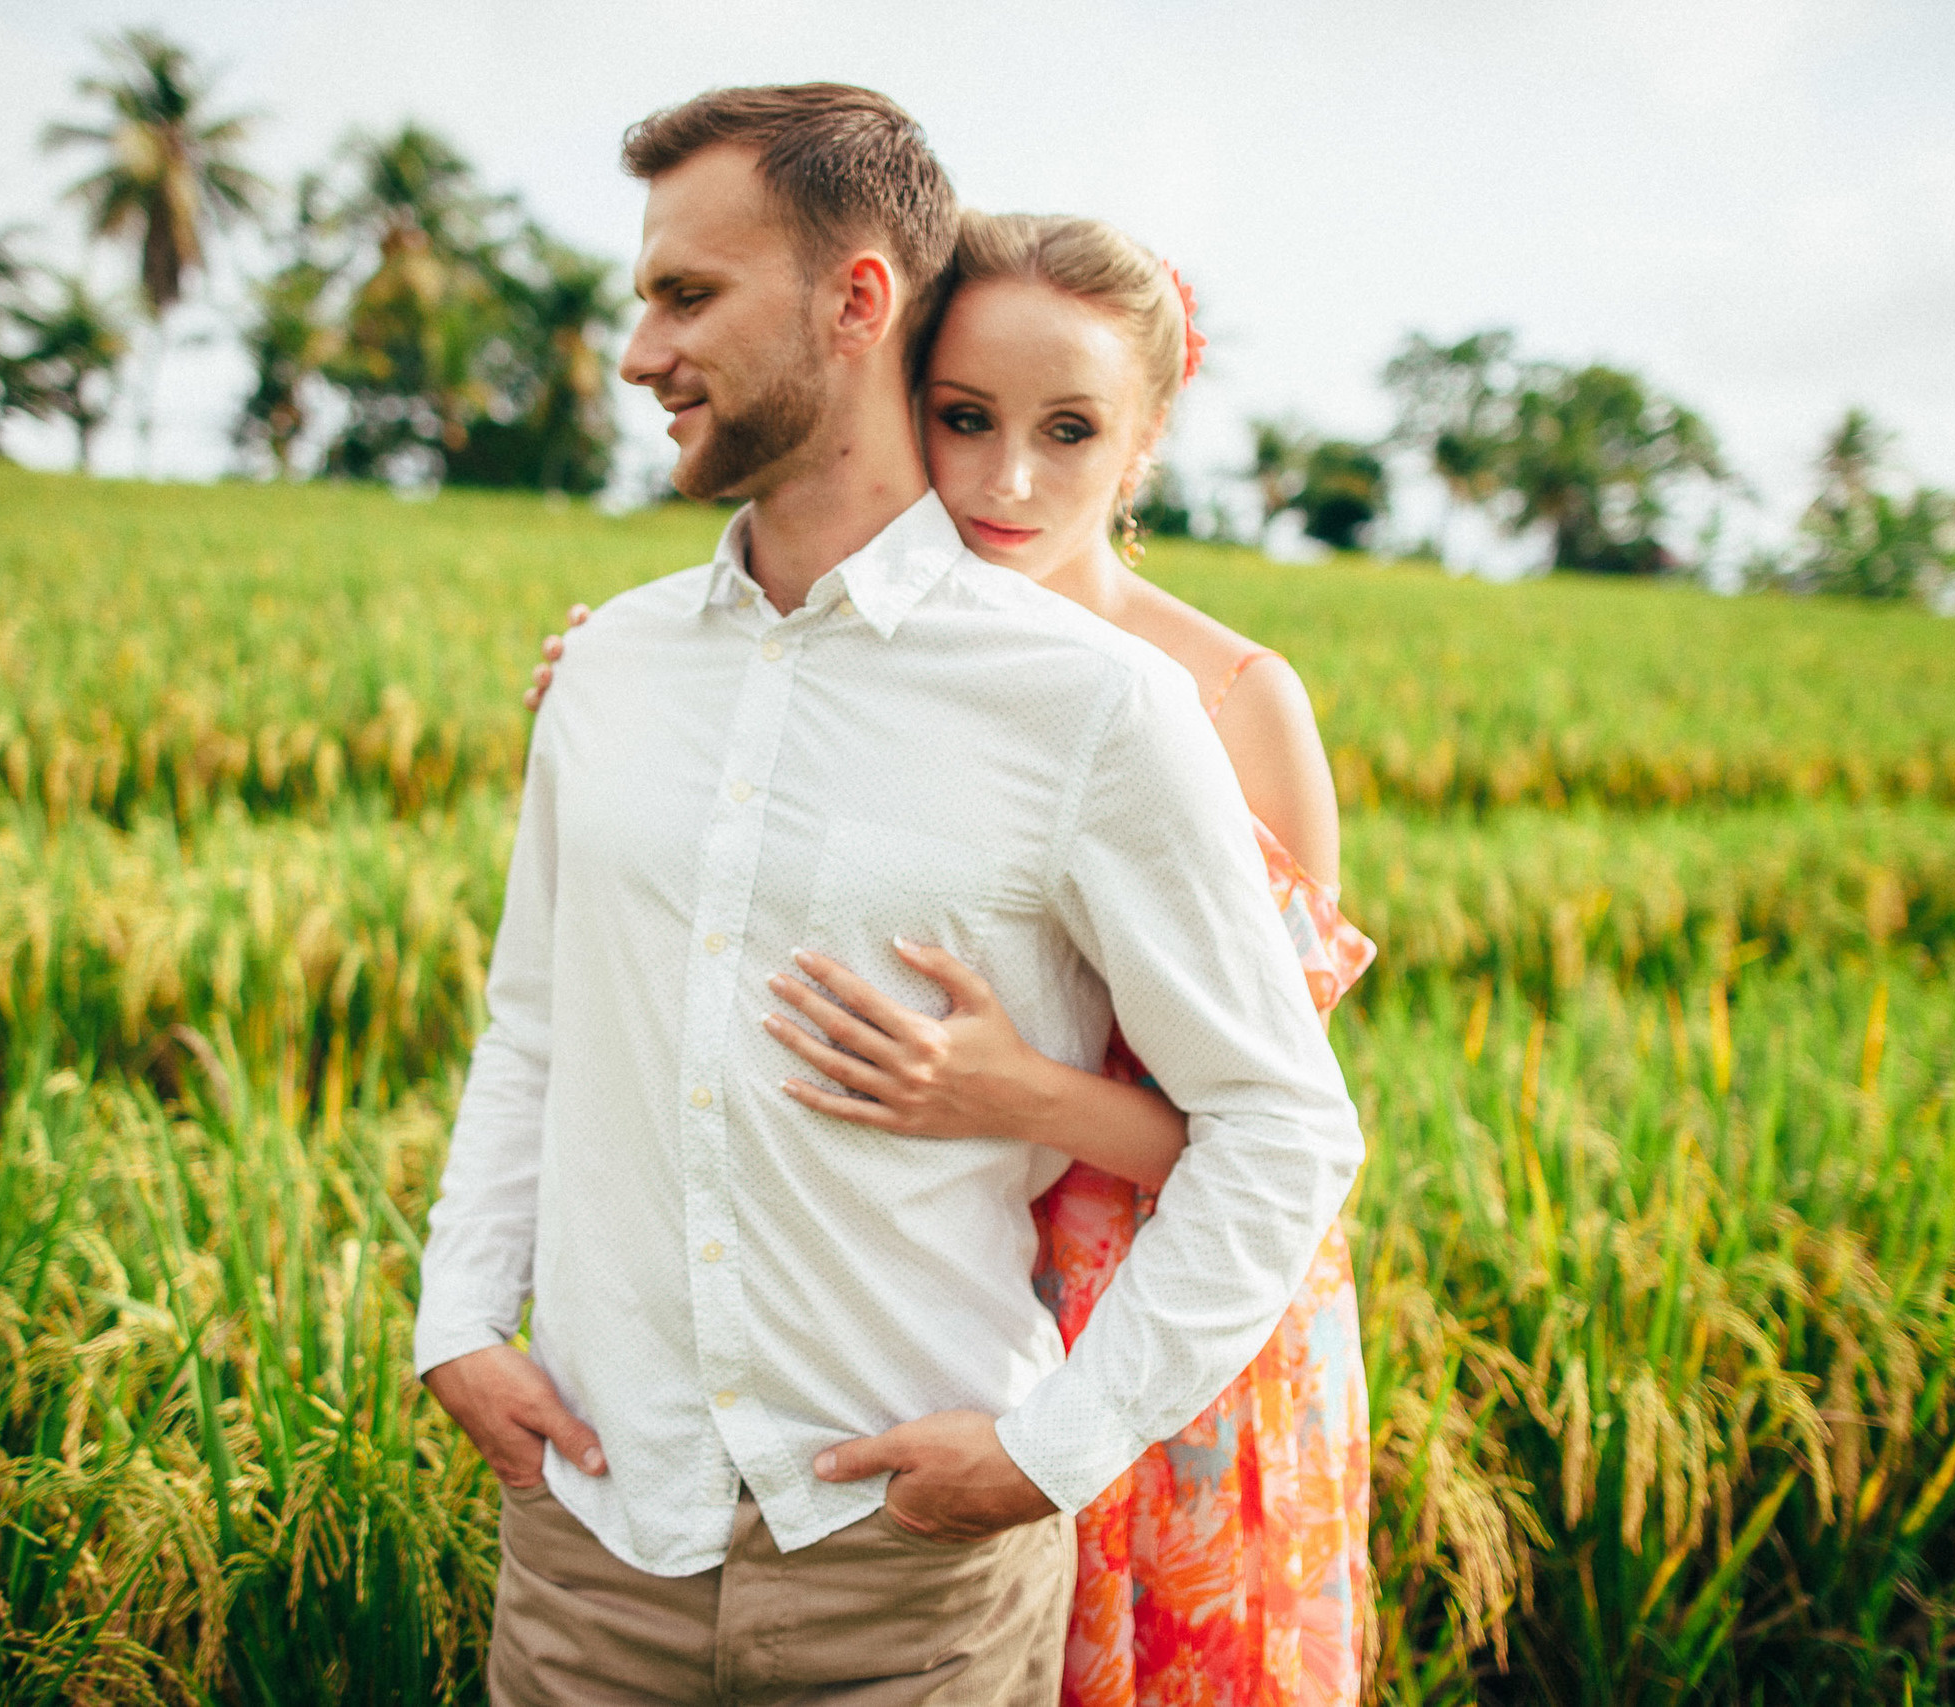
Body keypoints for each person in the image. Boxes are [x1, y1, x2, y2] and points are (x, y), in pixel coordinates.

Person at [416, 84, 1363, 1707]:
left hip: (946, 1523)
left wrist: (1048, 1448)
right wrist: (455, 1318)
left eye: (686, 296)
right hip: (596, 1530)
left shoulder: (1129, 706)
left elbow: (1276, 1125)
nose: (639, 354)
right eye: (966, 414)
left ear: (857, 304)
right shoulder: (620, 667)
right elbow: (539, 1023)